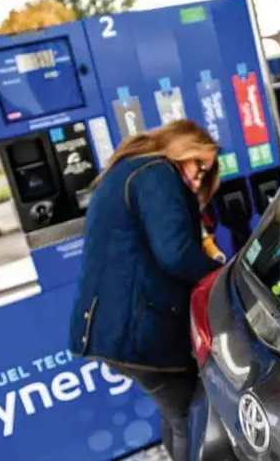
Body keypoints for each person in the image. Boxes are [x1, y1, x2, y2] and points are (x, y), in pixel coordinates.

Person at [68, 120, 223, 460]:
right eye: (201, 164)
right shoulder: (156, 173)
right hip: (139, 331)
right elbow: (175, 253)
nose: (200, 177)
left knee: (176, 413)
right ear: (183, 147)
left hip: (112, 326)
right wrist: (221, 276)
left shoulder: (130, 171)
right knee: (191, 417)